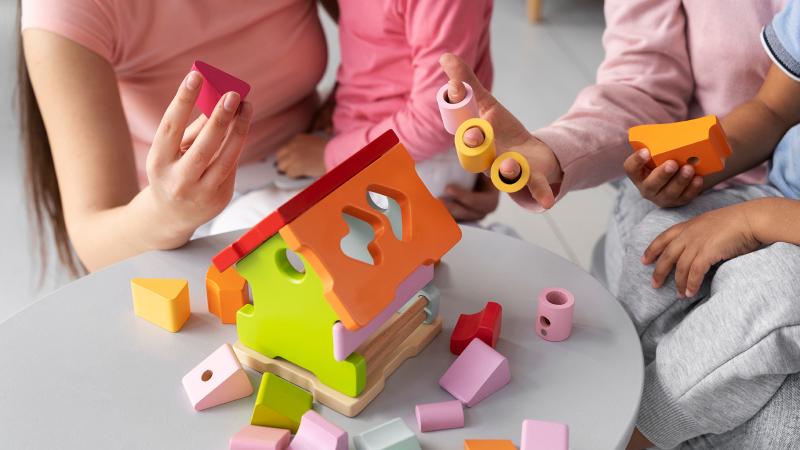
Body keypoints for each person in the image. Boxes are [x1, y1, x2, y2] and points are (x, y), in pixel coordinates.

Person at [439, 0, 799, 448]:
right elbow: (771, 111)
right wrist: (686, 172)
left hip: (781, 229)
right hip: (765, 194)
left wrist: (759, 219)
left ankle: (635, 432)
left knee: (779, 289)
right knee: (660, 239)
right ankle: (611, 381)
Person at [18, 0, 334, 273]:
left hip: (318, 161)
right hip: (184, 229)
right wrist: (167, 210)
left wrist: (352, 100)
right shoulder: (67, 10)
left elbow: (380, 38)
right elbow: (95, 242)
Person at [266, 0, 493, 223]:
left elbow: (437, 119)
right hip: (373, 139)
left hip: (419, 152)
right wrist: (341, 97)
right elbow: (377, 45)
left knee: (255, 223)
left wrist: (329, 157)